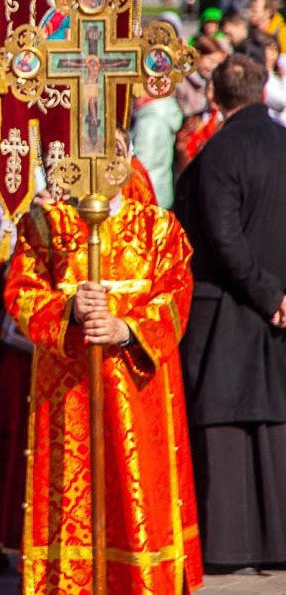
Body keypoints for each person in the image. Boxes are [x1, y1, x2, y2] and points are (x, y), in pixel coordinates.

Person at [7, 154, 204, 591]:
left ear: (126, 158)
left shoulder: (159, 227)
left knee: (137, 493)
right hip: (69, 394)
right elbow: (22, 293)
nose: (99, 164)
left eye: (112, 152)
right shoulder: (44, 226)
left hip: (139, 391)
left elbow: (175, 296)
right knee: (72, 496)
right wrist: (69, 309)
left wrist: (126, 329)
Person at [175, 54, 286, 574]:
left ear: (214, 97)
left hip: (228, 306)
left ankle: (229, 545)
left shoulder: (218, 152)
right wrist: (278, 296)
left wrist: (265, 293)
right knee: (272, 419)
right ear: (263, 91)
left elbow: (223, 237)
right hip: (274, 306)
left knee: (226, 423)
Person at [130, 91, 184, 207]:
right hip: (159, 188)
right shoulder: (157, 116)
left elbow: (143, 164)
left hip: (149, 193)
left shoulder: (150, 122)